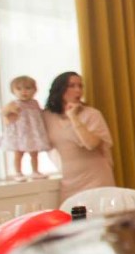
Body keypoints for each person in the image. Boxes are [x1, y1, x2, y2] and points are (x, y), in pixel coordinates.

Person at [42, 72, 115, 202]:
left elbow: (91, 144)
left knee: (100, 213)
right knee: (71, 213)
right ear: (59, 89)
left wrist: (73, 117)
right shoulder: (47, 116)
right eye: (72, 86)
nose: (78, 90)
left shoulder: (92, 114)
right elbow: (26, 128)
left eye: (80, 86)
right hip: (69, 181)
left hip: (97, 178)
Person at [0, 75, 51, 180]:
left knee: (34, 153)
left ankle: (35, 171)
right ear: (13, 91)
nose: (24, 92)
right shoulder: (14, 103)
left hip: (32, 132)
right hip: (20, 133)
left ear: (35, 90)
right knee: (19, 153)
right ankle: (18, 172)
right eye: (19, 89)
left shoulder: (35, 103)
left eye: (28, 88)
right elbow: (4, 113)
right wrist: (11, 111)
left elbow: (40, 114)